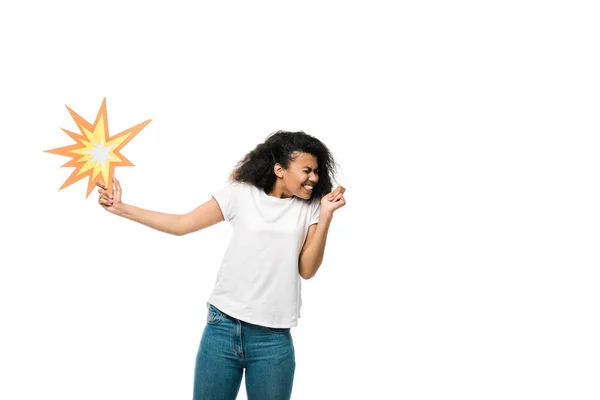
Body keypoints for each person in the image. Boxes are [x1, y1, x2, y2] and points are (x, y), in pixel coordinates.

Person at [96, 130, 346, 400]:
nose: (314, 178)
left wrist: (326, 216)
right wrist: (121, 208)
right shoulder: (240, 194)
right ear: (279, 169)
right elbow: (182, 224)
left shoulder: (310, 208)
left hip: (273, 340)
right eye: (307, 170)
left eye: (317, 171)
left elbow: (307, 270)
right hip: (223, 327)